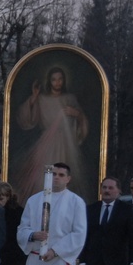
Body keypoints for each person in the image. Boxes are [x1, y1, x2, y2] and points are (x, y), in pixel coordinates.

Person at [12, 67, 89, 204]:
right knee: (41, 177)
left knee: (66, 171)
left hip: (66, 143)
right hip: (46, 143)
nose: (57, 82)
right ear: (50, 81)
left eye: (60, 79)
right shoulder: (42, 99)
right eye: (54, 79)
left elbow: (81, 121)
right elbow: (27, 119)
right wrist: (34, 98)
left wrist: (76, 114)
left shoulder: (69, 98)